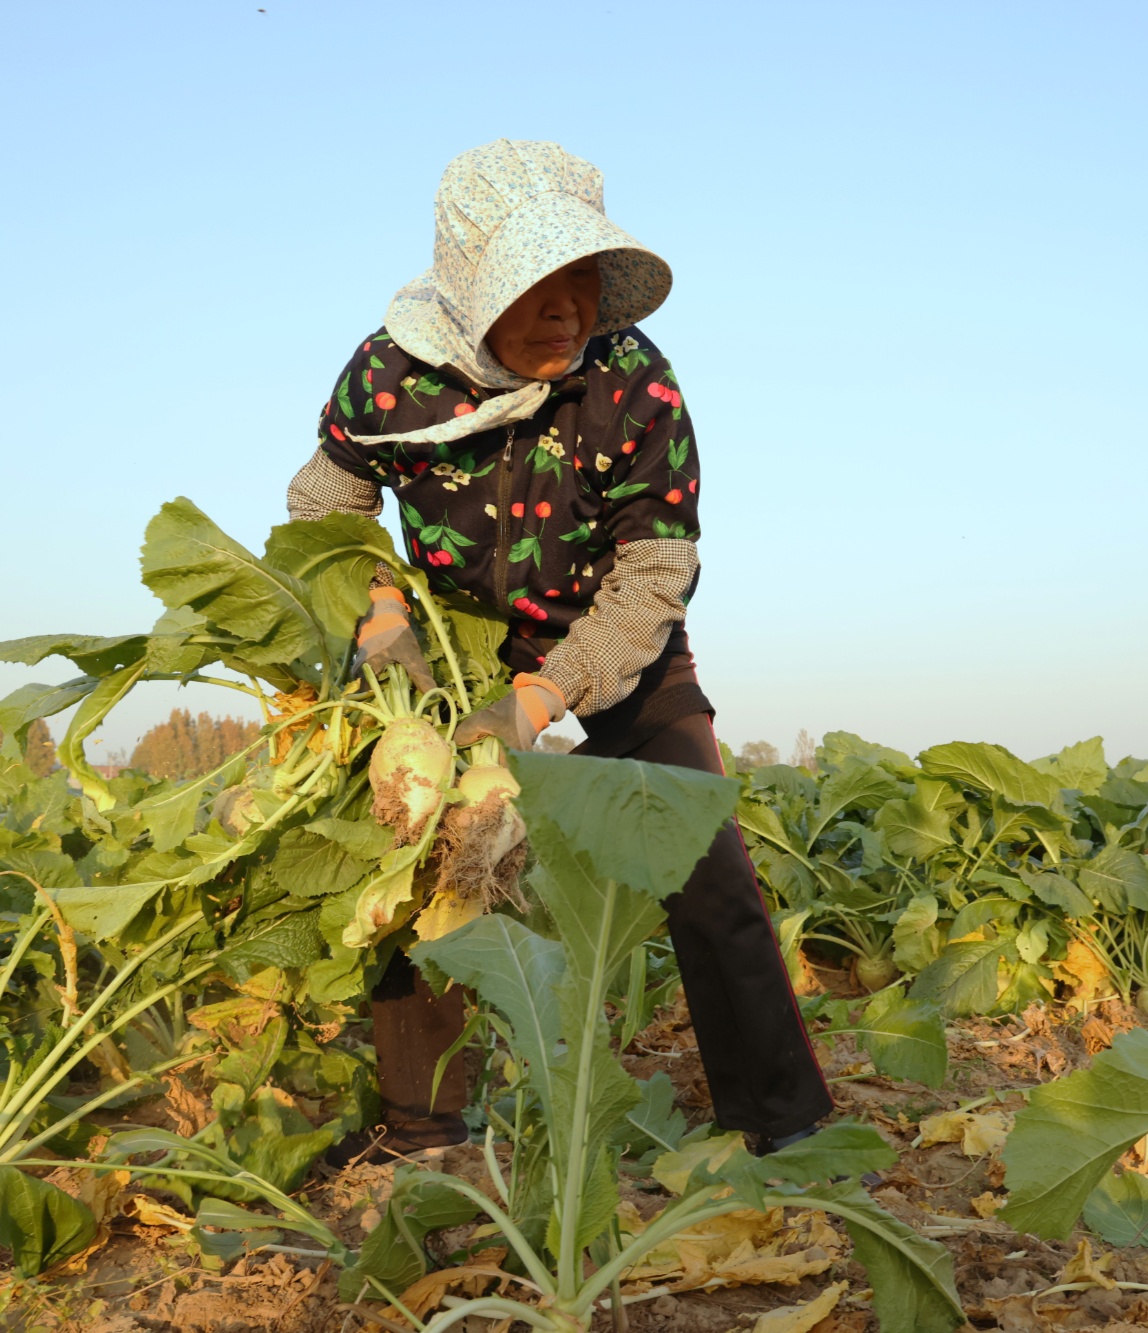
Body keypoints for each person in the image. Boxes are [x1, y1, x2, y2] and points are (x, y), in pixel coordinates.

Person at [286, 139, 832, 1159]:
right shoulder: (388, 375)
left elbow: (654, 575)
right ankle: (424, 1122)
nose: (566, 309)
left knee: (699, 857)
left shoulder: (634, 383)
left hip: (616, 644)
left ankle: (781, 1126)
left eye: (581, 280)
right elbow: (323, 503)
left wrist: (543, 700)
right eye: (536, 284)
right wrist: (376, 602)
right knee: (422, 861)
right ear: (469, 290)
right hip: (455, 648)